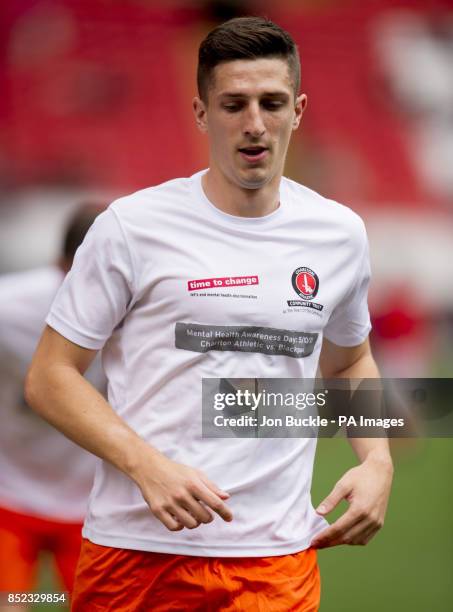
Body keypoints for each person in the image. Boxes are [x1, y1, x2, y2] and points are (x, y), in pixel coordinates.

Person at [25, 17, 393, 612]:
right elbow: (49, 377)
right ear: (200, 113)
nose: (254, 124)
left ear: (298, 110)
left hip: (276, 562)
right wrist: (146, 466)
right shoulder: (130, 227)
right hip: (136, 554)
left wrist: (376, 460)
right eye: (233, 104)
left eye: (272, 103)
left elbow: (352, 360)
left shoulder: (340, 234)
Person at [0, 204, 106, 607]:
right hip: (8, 493)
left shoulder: (146, 319)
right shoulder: (10, 308)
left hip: (94, 506)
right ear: (60, 265)